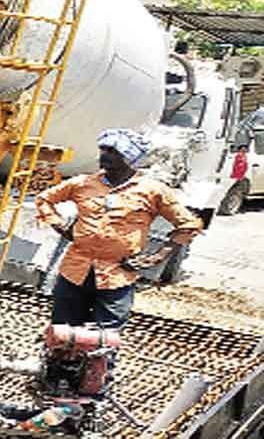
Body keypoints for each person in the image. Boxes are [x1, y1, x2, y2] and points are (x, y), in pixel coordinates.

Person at [35, 128, 203, 328]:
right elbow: (44, 199)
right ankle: (59, 360)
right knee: (62, 331)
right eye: (103, 149)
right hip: (75, 270)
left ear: (130, 157)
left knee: (105, 337)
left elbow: (188, 225)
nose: (104, 155)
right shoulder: (82, 183)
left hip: (117, 275)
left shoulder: (152, 191)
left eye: (113, 151)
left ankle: (98, 359)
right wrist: (60, 225)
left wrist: (157, 257)